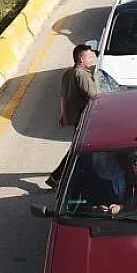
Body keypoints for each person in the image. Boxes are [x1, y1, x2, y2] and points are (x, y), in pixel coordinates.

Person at [48, 44, 99, 188]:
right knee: (79, 149)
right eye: (89, 56)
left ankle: (57, 176)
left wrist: (63, 115)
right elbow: (94, 96)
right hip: (86, 118)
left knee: (79, 147)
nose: (91, 59)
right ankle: (58, 176)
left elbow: (63, 96)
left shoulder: (68, 74)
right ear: (82, 59)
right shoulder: (82, 75)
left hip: (77, 117)